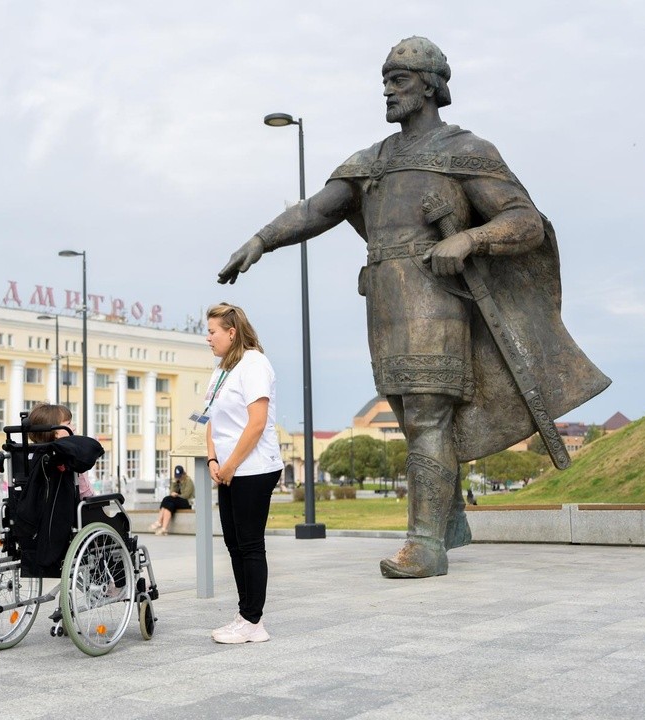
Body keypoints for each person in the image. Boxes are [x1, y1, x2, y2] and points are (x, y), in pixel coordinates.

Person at [218, 37, 609, 579]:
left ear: (430, 86)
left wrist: (469, 240)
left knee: (427, 413)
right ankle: (448, 521)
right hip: (384, 301)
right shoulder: (373, 159)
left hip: (437, 301)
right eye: (385, 79)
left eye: (399, 79)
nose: (388, 90)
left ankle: (425, 543)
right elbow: (317, 210)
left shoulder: (465, 151)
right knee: (409, 416)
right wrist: (261, 241)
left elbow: (525, 221)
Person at [204, 303, 284, 644]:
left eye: (212, 331)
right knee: (234, 544)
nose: (207, 338)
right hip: (228, 469)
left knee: (250, 544)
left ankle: (254, 621)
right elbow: (209, 419)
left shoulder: (254, 364)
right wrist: (212, 460)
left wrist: (232, 463)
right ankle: (244, 615)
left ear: (231, 332)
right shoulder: (222, 369)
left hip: (253, 468)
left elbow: (257, 422)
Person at [26, 403, 95, 499]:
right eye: (68, 423)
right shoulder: (68, 455)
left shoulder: (27, 455)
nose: (74, 427)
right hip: (70, 510)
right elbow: (86, 494)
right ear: (55, 432)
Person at [149, 465, 194, 536]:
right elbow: (171, 492)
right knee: (169, 505)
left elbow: (186, 495)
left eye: (180, 476)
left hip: (187, 503)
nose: (178, 477)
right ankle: (164, 528)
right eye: (177, 476)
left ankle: (159, 521)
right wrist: (174, 483)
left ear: (183, 474)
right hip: (177, 503)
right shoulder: (176, 481)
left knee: (167, 499)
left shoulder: (188, 481)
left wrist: (177, 495)